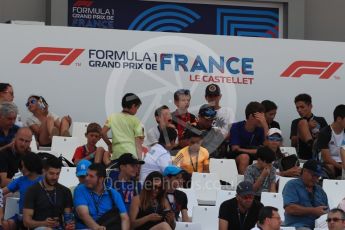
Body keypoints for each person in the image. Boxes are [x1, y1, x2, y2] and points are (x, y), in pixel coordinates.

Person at [23, 155, 74, 230]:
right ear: (44, 172)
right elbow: (26, 222)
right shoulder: (32, 191)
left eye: (57, 174)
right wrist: (44, 223)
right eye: (51, 173)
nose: (55, 177)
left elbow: (67, 217)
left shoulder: (65, 191)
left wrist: (68, 225)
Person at [74, 163, 130, 230]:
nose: (87, 178)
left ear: (101, 179)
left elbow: (124, 218)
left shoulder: (113, 193)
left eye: (91, 176)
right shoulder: (80, 189)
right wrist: (97, 228)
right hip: (86, 227)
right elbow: (83, 215)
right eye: (86, 175)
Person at [283, 159, 329, 229]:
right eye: (314, 175)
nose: (316, 179)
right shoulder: (292, 185)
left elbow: (326, 210)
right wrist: (313, 211)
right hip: (297, 226)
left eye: (318, 176)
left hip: (319, 227)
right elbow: (290, 209)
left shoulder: (320, 190)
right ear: (304, 171)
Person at [2, 152, 43, 230]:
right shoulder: (20, 180)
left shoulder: (44, 180)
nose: (22, 169)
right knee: (7, 224)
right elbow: (2, 191)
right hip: (21, 216)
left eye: (24, 166)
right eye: (21, 166)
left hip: (39, 217)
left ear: (32, 165)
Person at [102, 93, 144, 160]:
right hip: (131, 155)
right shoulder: (136, 121)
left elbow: (103, 132)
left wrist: (109, 144)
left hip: (117, 155)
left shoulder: (112, 117)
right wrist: (139, 159)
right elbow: (138, 142)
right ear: (133, 106)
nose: (137, 111)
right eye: (137, 108)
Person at [229, 101, 268, 174]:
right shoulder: (236, 127)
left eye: (263, 117)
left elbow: (267, 148)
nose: (262, 119)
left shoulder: (261, 129)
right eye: (260, 117)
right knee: (245, 157)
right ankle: (244, 184)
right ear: (251, 116)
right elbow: (235, 149)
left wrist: (265, 125)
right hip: (237, 157)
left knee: (266, 160)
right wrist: (257, 151)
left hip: (255, 157)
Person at [290, 93, 328, 160]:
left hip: (319, 156)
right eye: (297, 108)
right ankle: (313, 146)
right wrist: (306, 128)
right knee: (303, 122)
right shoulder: (295, 122)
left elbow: (328, 139)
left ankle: (315, 148)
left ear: (310, 106)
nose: (299, 110)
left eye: (302, 107)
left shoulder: (320, 120)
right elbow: (293, 143)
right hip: (303, 157)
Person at [317, 104, 345, 178]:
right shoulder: (325, 133)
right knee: (330, 167)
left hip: (343, 162)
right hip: (331, 163)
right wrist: (342, 168)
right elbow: (327, 159)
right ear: (339, 119)